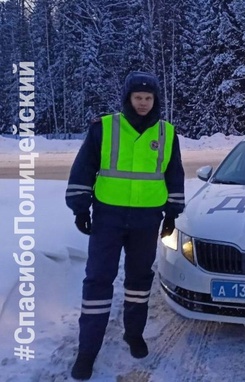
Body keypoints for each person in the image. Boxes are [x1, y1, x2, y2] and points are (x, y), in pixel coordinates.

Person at [65, 71, 185, 380]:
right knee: (98, 280)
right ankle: (87, 350)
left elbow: (174, 175)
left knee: (139, 280)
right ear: (127, 98)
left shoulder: (167, 132)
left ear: (155, 100)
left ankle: (134, 334)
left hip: (147, 220)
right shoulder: (104, 128)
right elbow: (84, 167)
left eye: (149, 98)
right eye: (138, 97)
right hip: (108, 217)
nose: (143, 103)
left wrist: (172, 214)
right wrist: (80, 208)